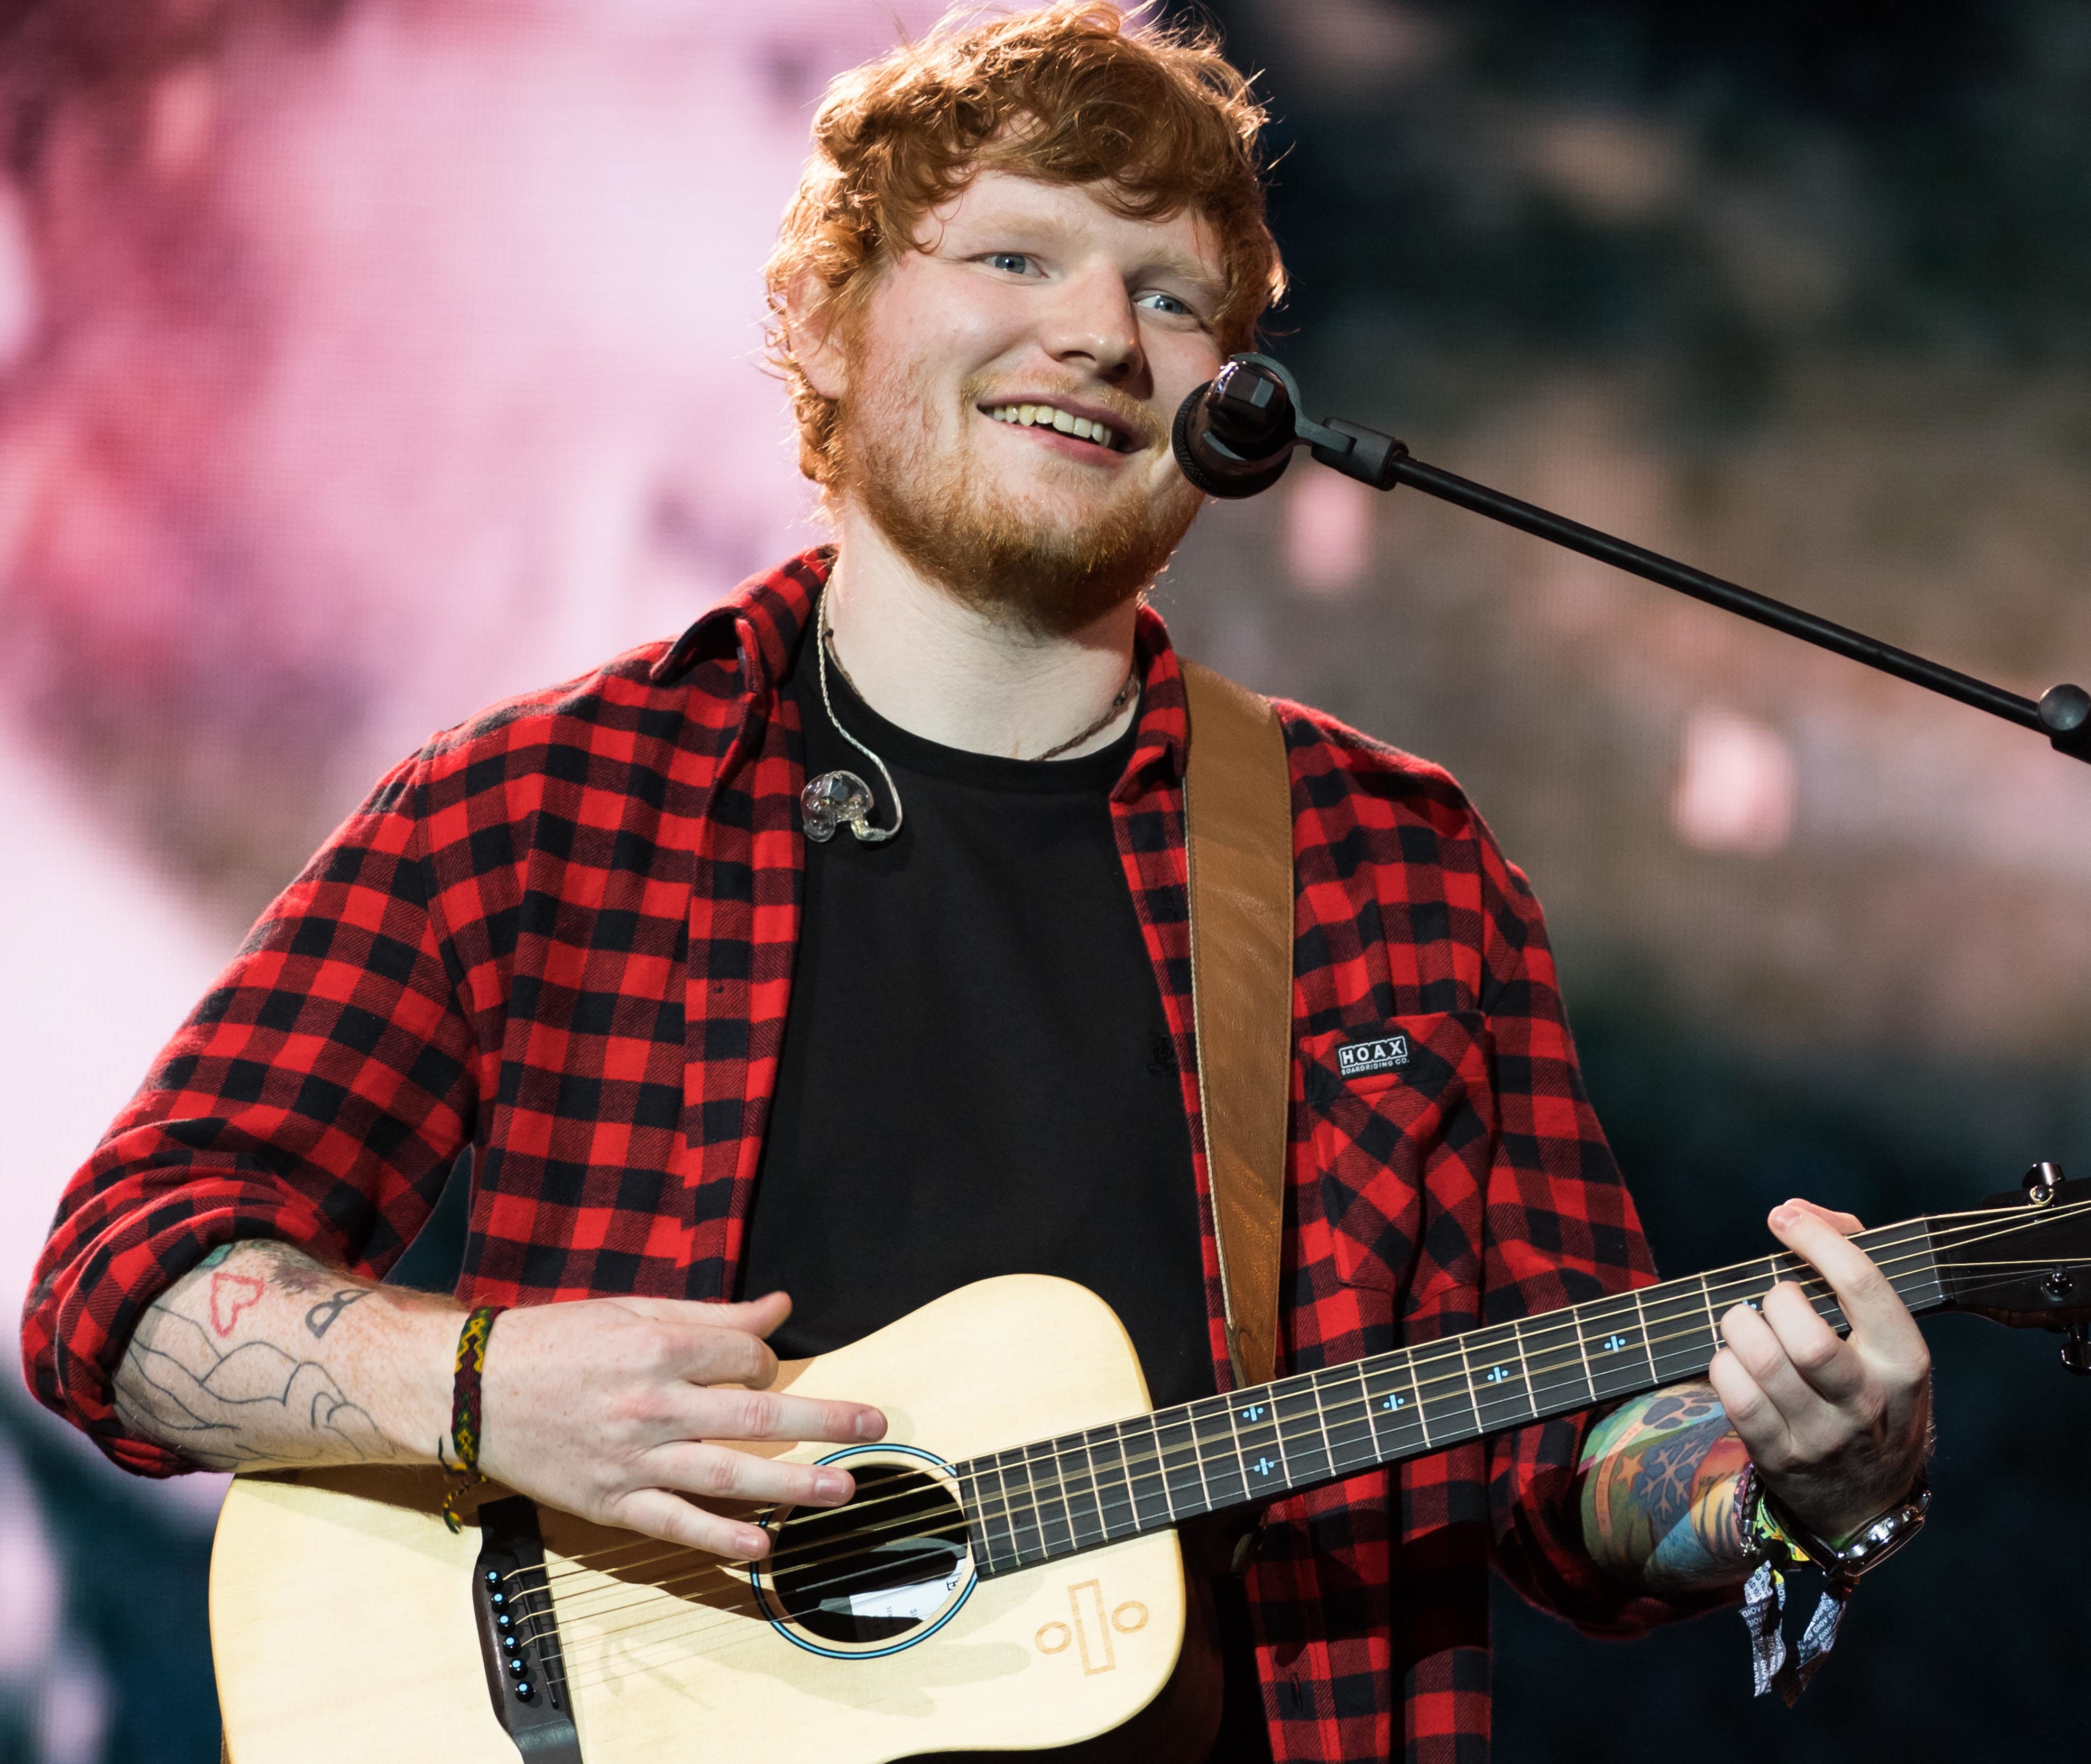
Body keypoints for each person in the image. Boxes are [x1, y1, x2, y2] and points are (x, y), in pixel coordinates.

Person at [19, 6, 1932, 1758]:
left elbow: (1573, 1489)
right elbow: (119, 1288)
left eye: (1176, 299)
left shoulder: (1393, 871)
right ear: (840, 326)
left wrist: (1791, 1483)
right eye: (1015, 256)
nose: (1102, 332)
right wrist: (482, 1391)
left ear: (1232, 414)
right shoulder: (536, 810)